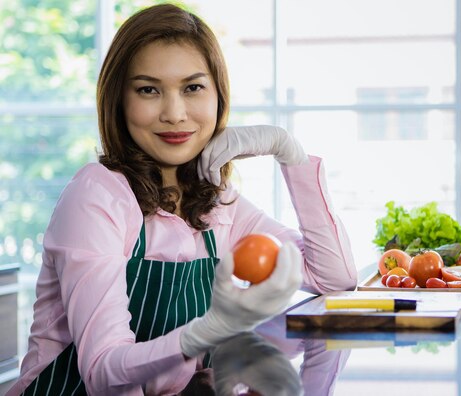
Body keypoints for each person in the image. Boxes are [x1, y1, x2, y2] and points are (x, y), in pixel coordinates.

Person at [8, 3, 356, 395]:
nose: (174, 114)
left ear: (218, 96)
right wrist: (205, 332)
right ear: (119, 101)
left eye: (192, 87)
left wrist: (288, 151)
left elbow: (334, 278)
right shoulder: (97, 197)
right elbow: (103, 372)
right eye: (148, 90)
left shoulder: (217, 205)